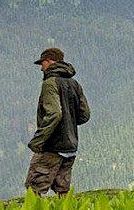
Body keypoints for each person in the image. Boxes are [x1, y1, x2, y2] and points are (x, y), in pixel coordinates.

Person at [25, 47, 91, 196]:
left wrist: (38, 140)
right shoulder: (75, 84)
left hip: (52, 147)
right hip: (70, 147)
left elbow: (54, 113)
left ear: (48, 61)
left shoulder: (49, 83)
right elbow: (85, 115)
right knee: (63, 191)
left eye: (42, 64)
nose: (41, 68)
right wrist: (69, 123)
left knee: (34, 189)